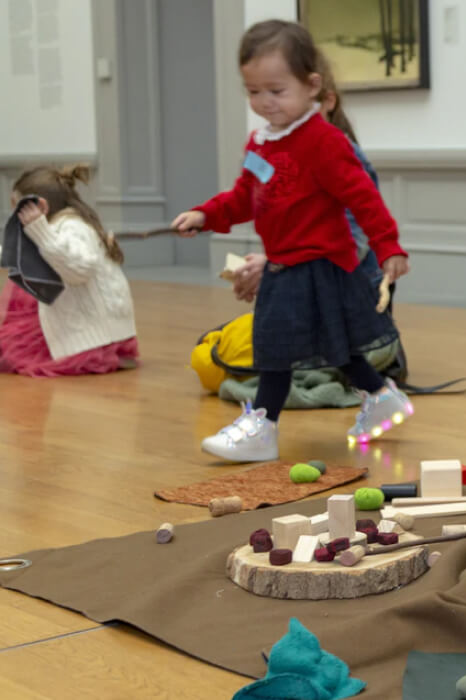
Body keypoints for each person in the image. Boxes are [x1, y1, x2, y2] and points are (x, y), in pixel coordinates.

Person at [171, 20, 412, 462]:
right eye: (253, 91)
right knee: (333, 347)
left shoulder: (323, 141)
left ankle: (262, 427)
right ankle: (381, 395)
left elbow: (363, 198)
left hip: (322, 268)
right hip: (284, 266)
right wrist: (207, 213)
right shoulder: (261, 143)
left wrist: (389, 246)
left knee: (274, 349)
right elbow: (246, 195)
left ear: (311, 85)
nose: (264, 102)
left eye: (276, 91)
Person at [230, 52, 390, 307]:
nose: (269, 106)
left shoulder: (342, 155)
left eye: (278, 92)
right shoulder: (270, 150)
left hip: (350, 287)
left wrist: (276, 264)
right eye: (255, 92)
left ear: (326, 101)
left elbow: (354, 237)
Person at [1, 165, 139, 376]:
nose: (14, 215)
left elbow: (79, 270)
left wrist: (42, 233)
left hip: (90, 331)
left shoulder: (74, 227)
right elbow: (20, 256)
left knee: (16, 350)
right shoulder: (51, 226)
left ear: (41, 207)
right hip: (73, 317)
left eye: (17, 207)